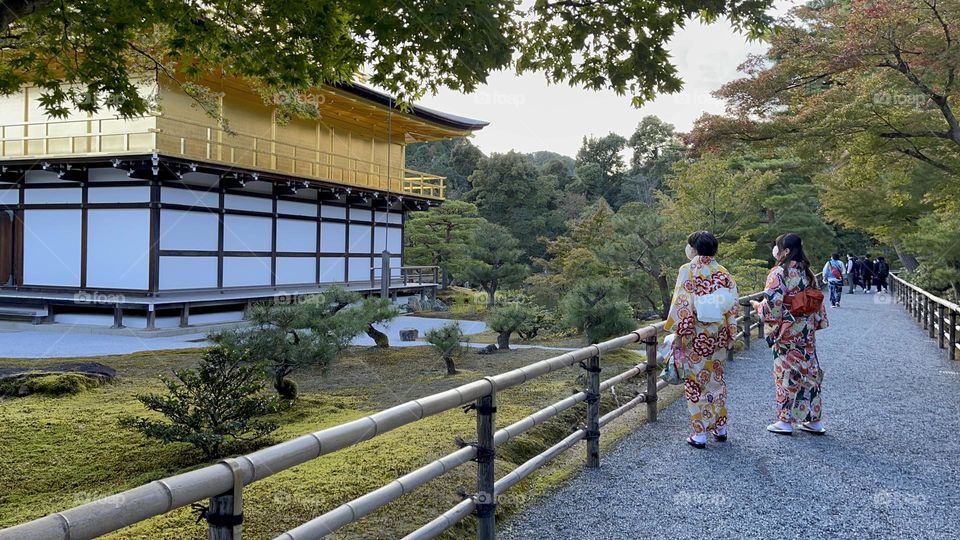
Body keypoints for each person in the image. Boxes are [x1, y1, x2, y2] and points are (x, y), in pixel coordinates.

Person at [664, 230, 739, 449]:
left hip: (696, 336)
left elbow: (682, 304)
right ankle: (720, 427)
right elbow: (732, 305)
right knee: (716, 379)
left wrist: (679, 335)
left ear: (694, 249)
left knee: (696, 382)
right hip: (718, 334)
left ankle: (700, 433)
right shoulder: (723, 272)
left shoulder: (688, 269)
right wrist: (731, 331)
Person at [751, 233, 829, 436]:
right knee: (809, 373)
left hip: (786, 332)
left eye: (777, 246)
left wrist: (759, 307)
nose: (775, 250)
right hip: (806, 331)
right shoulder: (808, 272)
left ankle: (785, 421)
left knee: (786, 374)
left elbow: (773, 305)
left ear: (785, 251)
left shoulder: (779, 273)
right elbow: (817, 302)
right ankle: (814, 420)